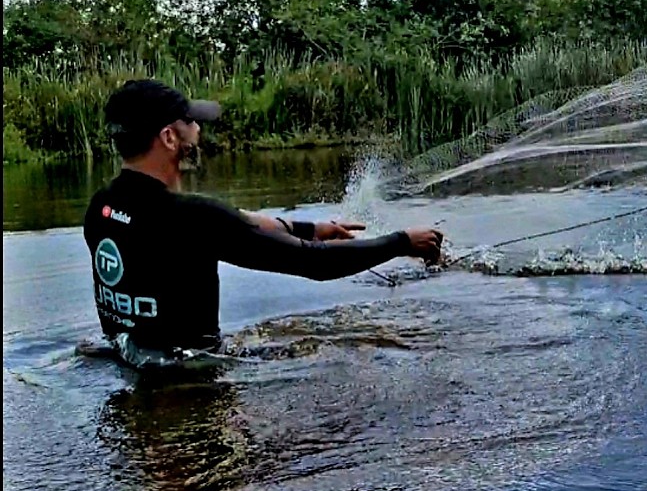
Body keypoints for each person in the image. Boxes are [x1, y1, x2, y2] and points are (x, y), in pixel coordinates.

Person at [83, 78, 444, 368]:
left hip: (131, 369)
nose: (198, 131)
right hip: (191, 381)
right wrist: (400, 242)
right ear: (168, 137)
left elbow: (240, 224)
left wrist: (309, 228)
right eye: (191, 122)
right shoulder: (191, 216)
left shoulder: (102, 207)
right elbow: (314, 263)